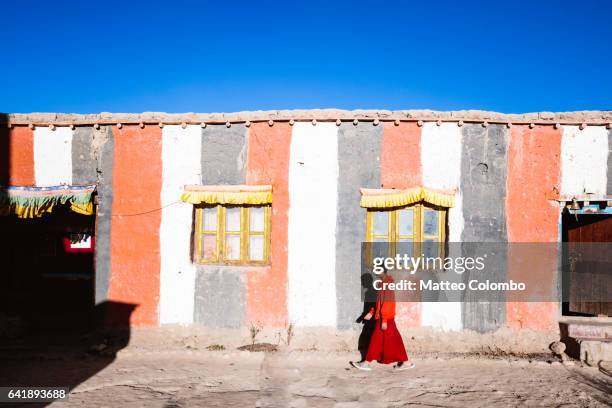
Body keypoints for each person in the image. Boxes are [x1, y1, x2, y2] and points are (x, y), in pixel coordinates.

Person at [351, 267, 414, 371]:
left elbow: (388, 303)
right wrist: (370, 313)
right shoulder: (382, 284)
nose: (375, 271)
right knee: (395, 340)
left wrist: (384, 319)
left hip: (385, 318)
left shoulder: (387, 284)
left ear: (383, 271)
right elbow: (379, 302)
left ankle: (366, 363)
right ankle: (406, 362)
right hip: (386, 317)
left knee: (376, 340)